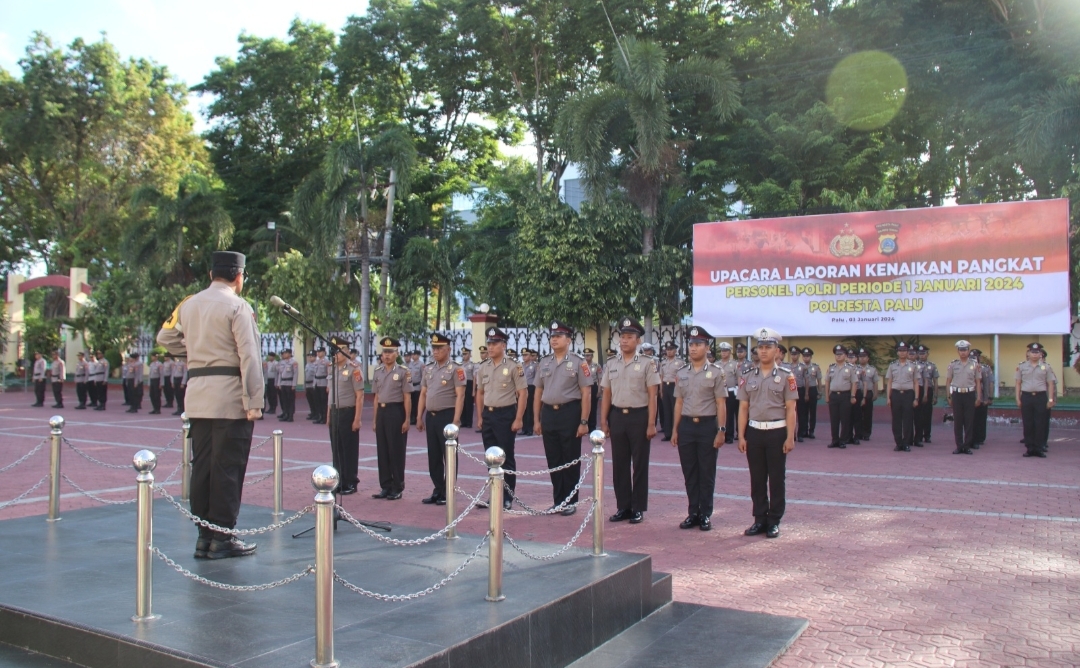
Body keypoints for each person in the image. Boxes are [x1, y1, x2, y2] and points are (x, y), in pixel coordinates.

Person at [156, 250, 263, 560]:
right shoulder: (238, 306)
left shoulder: (189, 304)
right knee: (228, 468)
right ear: (238, 276)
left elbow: (165, 337)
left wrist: (195, 350)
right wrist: (255, 401)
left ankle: (204, 536)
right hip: (230, 397)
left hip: (198, 396)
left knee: (202, 468)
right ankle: (223, 536)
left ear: (210, 274)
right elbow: (249, 356)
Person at [738, 327, 797, 539]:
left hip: (776, 432)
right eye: (760, 347)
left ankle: (774, 520)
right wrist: (741, 435)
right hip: (754, 432)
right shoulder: (747, 376)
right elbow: (743, 407)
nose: (763, 351)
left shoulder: (786, 376)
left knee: (776, 478)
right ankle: (759, 519)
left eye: (768, 347)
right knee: (757, 478)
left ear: (777, 351)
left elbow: (791, 408)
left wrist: (790, 437)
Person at [600, 317, 660, 525]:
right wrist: (604, 421)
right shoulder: (611, 364)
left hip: (639, 416)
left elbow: (653, 395)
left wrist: (652, 422)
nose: (624, 341)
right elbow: (606, 393)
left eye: (629, 337)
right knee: (619, 464)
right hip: (617, 416)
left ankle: (638, 507)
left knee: (640, 464)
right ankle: (623, 506)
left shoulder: (647, 364)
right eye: (622, 337)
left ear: (638, 340)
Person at [533, 321, 592, 515]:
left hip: (570, 413)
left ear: (568, 340)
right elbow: (538, 391)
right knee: (554, 460)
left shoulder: (578, 362)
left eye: (558, 336)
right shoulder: (544, 362)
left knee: (570, 459)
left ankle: (571, 501)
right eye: (552, 336)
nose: (554, 339)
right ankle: (558, 500)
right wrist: (536, 419)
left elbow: (586, 393)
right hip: (549, 413)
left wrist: (584, 422)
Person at [671, 326, 726, 531]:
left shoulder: (716, 372)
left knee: (706, 471)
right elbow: (678, 402)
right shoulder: (682, 372)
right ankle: (692, 512)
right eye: (691, 344)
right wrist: (675, 429)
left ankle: (705, 514)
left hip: (707, 427)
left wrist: (721, 430)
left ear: (706, 347)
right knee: (690, 472)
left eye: (698, 344)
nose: (693, 348)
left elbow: (721, 403)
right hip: (686, 426)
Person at [477, 327, 528, 510]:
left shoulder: (514, 366)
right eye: (489, 343)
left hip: (506, 415)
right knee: (490, 458)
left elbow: (523, 393)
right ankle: (494, 494)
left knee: (506, 457)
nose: (490, 347)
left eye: (494, 343)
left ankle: (507, 497)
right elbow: (480, 393)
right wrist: (480, 416)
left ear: (503, 345)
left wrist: (519, 418)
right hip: (488, 415)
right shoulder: (483, 366)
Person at [416, 333, 466, 506]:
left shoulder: (456, 369)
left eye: (439, 348)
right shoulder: (428, 368)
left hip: (447, 415)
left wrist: (456, 420)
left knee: (449, 455)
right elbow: (423, 393)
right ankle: (438, 489)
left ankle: (448, 490)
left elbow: (460, 396)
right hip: (432, 416)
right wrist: (419, 416)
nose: (435, 351)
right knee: (434, 455)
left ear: (448, 349)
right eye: (434, 348)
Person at [372, 337, 411, 500]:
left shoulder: (403, 371)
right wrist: (374, 419)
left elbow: (407, 397)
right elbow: (376, 397)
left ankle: (397, 486)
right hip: (381, 412)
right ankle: (385, 485)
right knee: (382, 450)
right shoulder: (378, 371)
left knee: (396, 450)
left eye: (390, 352)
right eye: (385, 352)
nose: (387, 355)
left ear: (397, 353)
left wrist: (407, 419)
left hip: (396, 411)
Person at [326, 338, 364, 495]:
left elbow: (360, 396)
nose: (335, 353)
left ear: (347, 351)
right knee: (336, 449)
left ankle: (351, 481)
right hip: (335, 412)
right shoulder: (332, 369)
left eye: (339, 349)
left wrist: (357, 419)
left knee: (349, 449)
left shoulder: (354, 369)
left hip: (348, 412)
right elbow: (330, 395)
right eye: (333, 350)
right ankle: (339, 480)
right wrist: (328, 415)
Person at [1015, 342, 1055, 458]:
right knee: (1028, 423)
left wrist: (1051, 399)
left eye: (1037, 352)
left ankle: (1038, 448)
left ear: (1040, 354)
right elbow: (1018, 383)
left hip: (1040, 397)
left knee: (1040, 423)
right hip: (1026, 397)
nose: (1034, 354)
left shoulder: (1046, 367)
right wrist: (1017, 398)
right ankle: (1029, 448)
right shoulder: (1022, 366)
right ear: (1028, 353)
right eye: (1032, 352)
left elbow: (1050, 384)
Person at [944, 340, 981, 455]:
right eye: (961, 350)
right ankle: (959, 446)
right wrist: (948, 396)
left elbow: (978, 382)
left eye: (965, 350)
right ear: (958, 351)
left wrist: (978, 397)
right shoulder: (953, 365)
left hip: (969, 394)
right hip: (957, 394)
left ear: (968, 351)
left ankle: (967, 445)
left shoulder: (975, 365)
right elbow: (948, 381)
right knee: (958, 421)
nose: (963, 352)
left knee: (969, 421)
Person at [886, 342, 921, 452]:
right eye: (900, 351)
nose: (902, 353)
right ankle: (898, 443)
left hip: (908, 394)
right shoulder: (892, 365)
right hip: (896, 394)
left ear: (907, 352)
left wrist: (916, 398)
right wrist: (888, 397)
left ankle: (906, 443)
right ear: (897, 352)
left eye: (904, 351)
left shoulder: (913, 366)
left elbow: (916, 383)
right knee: (896, 420)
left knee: (907, 420)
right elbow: (889, 382)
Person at [824, 344, 856, 449]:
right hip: (833, 396)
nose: (838, 356)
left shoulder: (850, 368)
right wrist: (827, 395)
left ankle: (843, 440)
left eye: (841, 354)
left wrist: (853, 396)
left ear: (846, 356)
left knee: (845, 419)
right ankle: (835, 440)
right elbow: (827, 382)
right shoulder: (831, 367)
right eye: (836, 354)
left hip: (845, 395)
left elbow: (854, 383)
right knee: (834, 419)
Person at [659, 342, 683, 442]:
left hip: (675, 386)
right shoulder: (663, 362)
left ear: (675, 350)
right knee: (666, 411)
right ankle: (667, 433)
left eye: (671, 349)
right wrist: (661, 390)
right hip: (666, 386)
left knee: (676, 410)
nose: (669, 351)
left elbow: (682, 377)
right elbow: (661, 377)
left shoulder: (680, 362)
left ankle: (676, 432)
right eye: (667, 350)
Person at [914, 345, 938, 444]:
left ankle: (927, 435)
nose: (922, 355)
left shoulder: (932, 365)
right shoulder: (913, 365)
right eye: (920, 353)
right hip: (917, 390)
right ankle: (918, 435)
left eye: (923, 353)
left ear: (927, 354)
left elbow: (935, 381)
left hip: (928, 390)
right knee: (918, 414)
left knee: (927, 414)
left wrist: (936, 395)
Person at [716, 343, 739, 444]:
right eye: (722, 351)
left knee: (729, 415)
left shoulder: (735, 364)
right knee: (719, 413)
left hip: (730, 391)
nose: (723, 353)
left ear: (730, 352)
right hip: (719, 392)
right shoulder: (717, 364)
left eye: (725, 351)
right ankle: (720, 433)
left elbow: (738, 378)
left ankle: (729, 436)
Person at [971, 349, 992, 448]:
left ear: (979, 357)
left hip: (981, 396)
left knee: (980, 419)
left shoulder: (984, 368)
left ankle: (980, 437)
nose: (973, 359)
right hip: (969, 396)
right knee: (971, 419)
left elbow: (987, 384)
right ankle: (971, 437)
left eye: (975, 357)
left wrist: (987, 398)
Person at [857, 349, 878, 440]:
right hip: (857, 392)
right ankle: (858, 433)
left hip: (868, 393)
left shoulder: (872, 369)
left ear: (868, 358)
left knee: (867, 415)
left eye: (864, 357)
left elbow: (875, 383)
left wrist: (875, 393)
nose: (862, 359)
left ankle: (866, 433)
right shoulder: (854, 368)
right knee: (857, 414)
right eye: (860, 357)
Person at [801, 348, 821, 439]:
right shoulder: (799, 367)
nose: (806, 358)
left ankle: (811, 430)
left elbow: (819, 380)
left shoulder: (816, 367)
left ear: (811, 357)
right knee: (803, 411)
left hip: (813, 390)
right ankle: (804, 430)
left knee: (812, 412)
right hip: (802, 389)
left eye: (808, 356)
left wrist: (820, 391)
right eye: (804, 356)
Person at [277, 349, 298, 421]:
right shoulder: (282, 362)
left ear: (289, 354)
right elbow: (280, 374)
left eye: (286, 353)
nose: (284, 354)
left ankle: (290, 416)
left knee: (290, 401)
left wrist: (294, 384)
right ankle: (286, 414)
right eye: (284, 353)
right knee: (284, 400)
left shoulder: (293, 362)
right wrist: (279, 383)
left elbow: (295, 374)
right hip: (283, 383)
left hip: (290, 383)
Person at [584, 348, 601, 433]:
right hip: (584, 387)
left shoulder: (596, 365)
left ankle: (592, 427)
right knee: (584, 407)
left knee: (593, 408)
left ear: (592, 356)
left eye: (588, 355)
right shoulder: (582, 366)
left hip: (593, 387)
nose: (587, 357)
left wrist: (599, 390)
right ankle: (585, 426)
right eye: (585, 355)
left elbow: (600, 379)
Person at [407, 350, 424, 425]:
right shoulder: (410, 364)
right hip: (410, 386)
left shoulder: (421, 364)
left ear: (418, 355)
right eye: (412, 355)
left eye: (414, 355)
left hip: (417, 387)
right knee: (410, 403)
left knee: (416, 403)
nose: (413, 356)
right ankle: (411, 417)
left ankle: (416, 418)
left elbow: (423, 376)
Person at [460, 347, 475, 428]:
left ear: (469, 355)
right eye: (463, 354)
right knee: (462, 403)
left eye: (465, 354)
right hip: (462, 384)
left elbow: (474, 377)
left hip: (469, 384)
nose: (464, 356)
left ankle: (469, 422)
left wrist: (473, 390)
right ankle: (463, 421)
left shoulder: (472, 365)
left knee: (469, 404)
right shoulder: (460, 365)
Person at [264, 352, 279, 417]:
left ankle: (274, 408)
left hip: (273, 380)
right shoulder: (267, 363)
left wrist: (276, 382)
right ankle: (270, 407)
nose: (269, 357)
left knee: (273, 395)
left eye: (271, 356)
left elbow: (277, 373)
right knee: (269, 395)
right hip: (268, 380)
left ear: (274, 357)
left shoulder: (276, 363)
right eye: (269, 356)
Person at [304, 351, 317, 420]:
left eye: (311, 356)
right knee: (310, 400)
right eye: (309, 356)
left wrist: (314, 385)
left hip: (313, 384)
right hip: (308, 384)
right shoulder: (308, 365)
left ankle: (316, 413)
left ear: (315, 357)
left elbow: (316, 375)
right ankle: (312, 412)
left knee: (315, 400)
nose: (310, 358)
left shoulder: (316, 364)